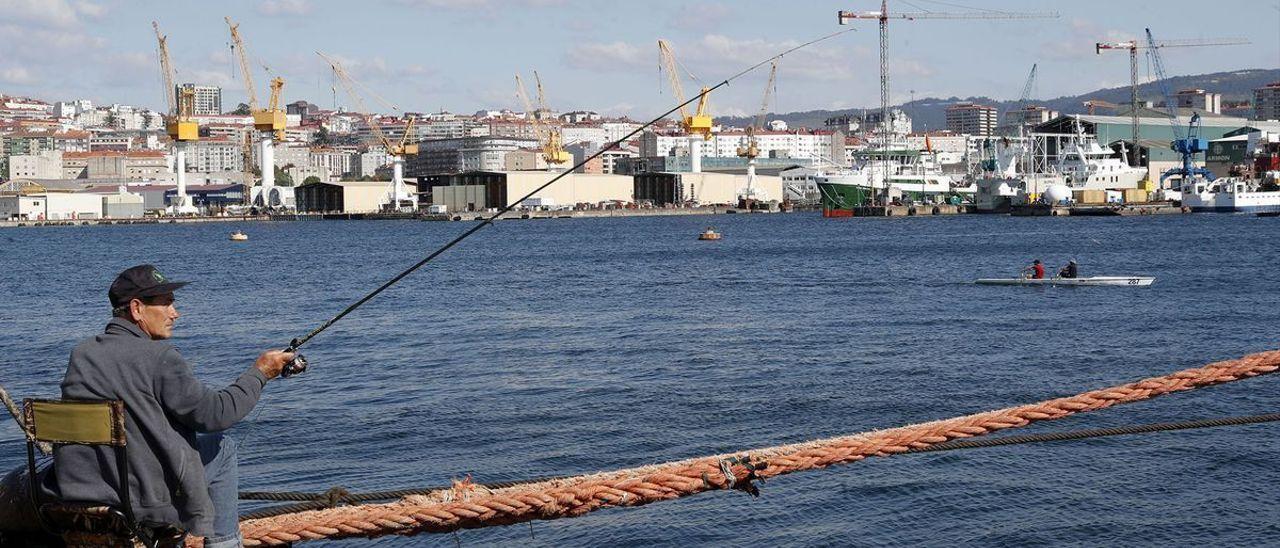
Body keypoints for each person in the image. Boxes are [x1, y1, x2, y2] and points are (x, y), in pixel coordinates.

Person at [56, 265, 294, 548]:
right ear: (137, 309)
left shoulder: (82, 353)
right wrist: (260, 372)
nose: (175, 313)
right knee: (222, 447)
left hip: (83, 494)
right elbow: (215, 414)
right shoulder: (159, 357)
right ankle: (225, 544)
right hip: (143, 499)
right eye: (166, 303)